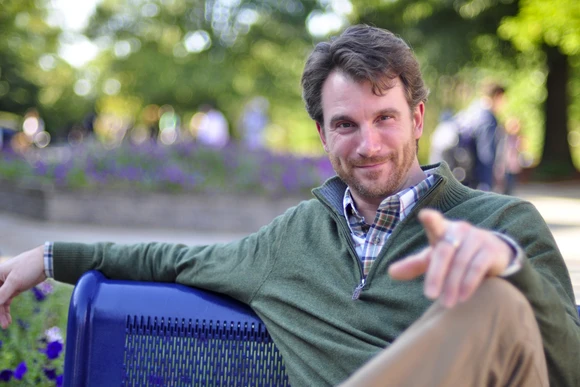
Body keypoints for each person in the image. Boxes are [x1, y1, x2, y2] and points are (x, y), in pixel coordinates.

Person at [1, 25, 579, 387]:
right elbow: (174, 259)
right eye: (346, 124)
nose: (369, 144)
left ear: (419, 119)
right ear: (322, 134)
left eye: (386, 119)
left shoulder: (503, 225)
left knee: (496, 301)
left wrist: (508, 266)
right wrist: (48, 258)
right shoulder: (291, 243)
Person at [454, 82, 506, 191]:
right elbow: (486, 155)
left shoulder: (473, 110)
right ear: (497, 96)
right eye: (503, 100)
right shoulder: (487, 118)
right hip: (476, 177)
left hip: (462, 170)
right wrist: (486, 186)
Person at [495, 117, 524, 195]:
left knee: (511, 188)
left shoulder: (516, 138)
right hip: (505, 168)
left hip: (513, 167)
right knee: (503, 188)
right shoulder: (504, 138)